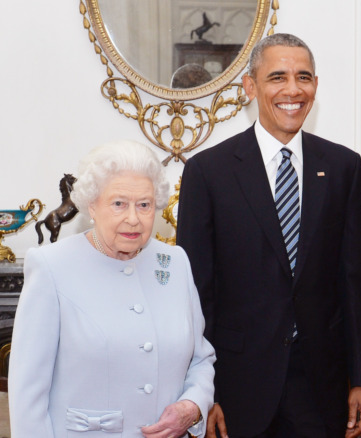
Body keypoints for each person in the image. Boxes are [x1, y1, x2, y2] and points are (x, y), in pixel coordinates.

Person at [176, 33, 361, 438]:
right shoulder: (207, 172)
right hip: (236, 384)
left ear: (315, 87)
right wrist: (203, 390)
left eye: (303, 77)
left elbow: (355, 282)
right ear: (250, 87)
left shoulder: (343, 167)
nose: (292, 90)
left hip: (322, 383)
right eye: (277, 77)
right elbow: (197, 293)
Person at [9, 140, 216, 437]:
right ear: (92, 205)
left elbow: (201, 359)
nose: (133, 218)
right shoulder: (50, 266)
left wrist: (193, 405)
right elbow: (27, 397)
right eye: (119, 203)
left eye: (144, 205)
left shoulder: (174, 262)